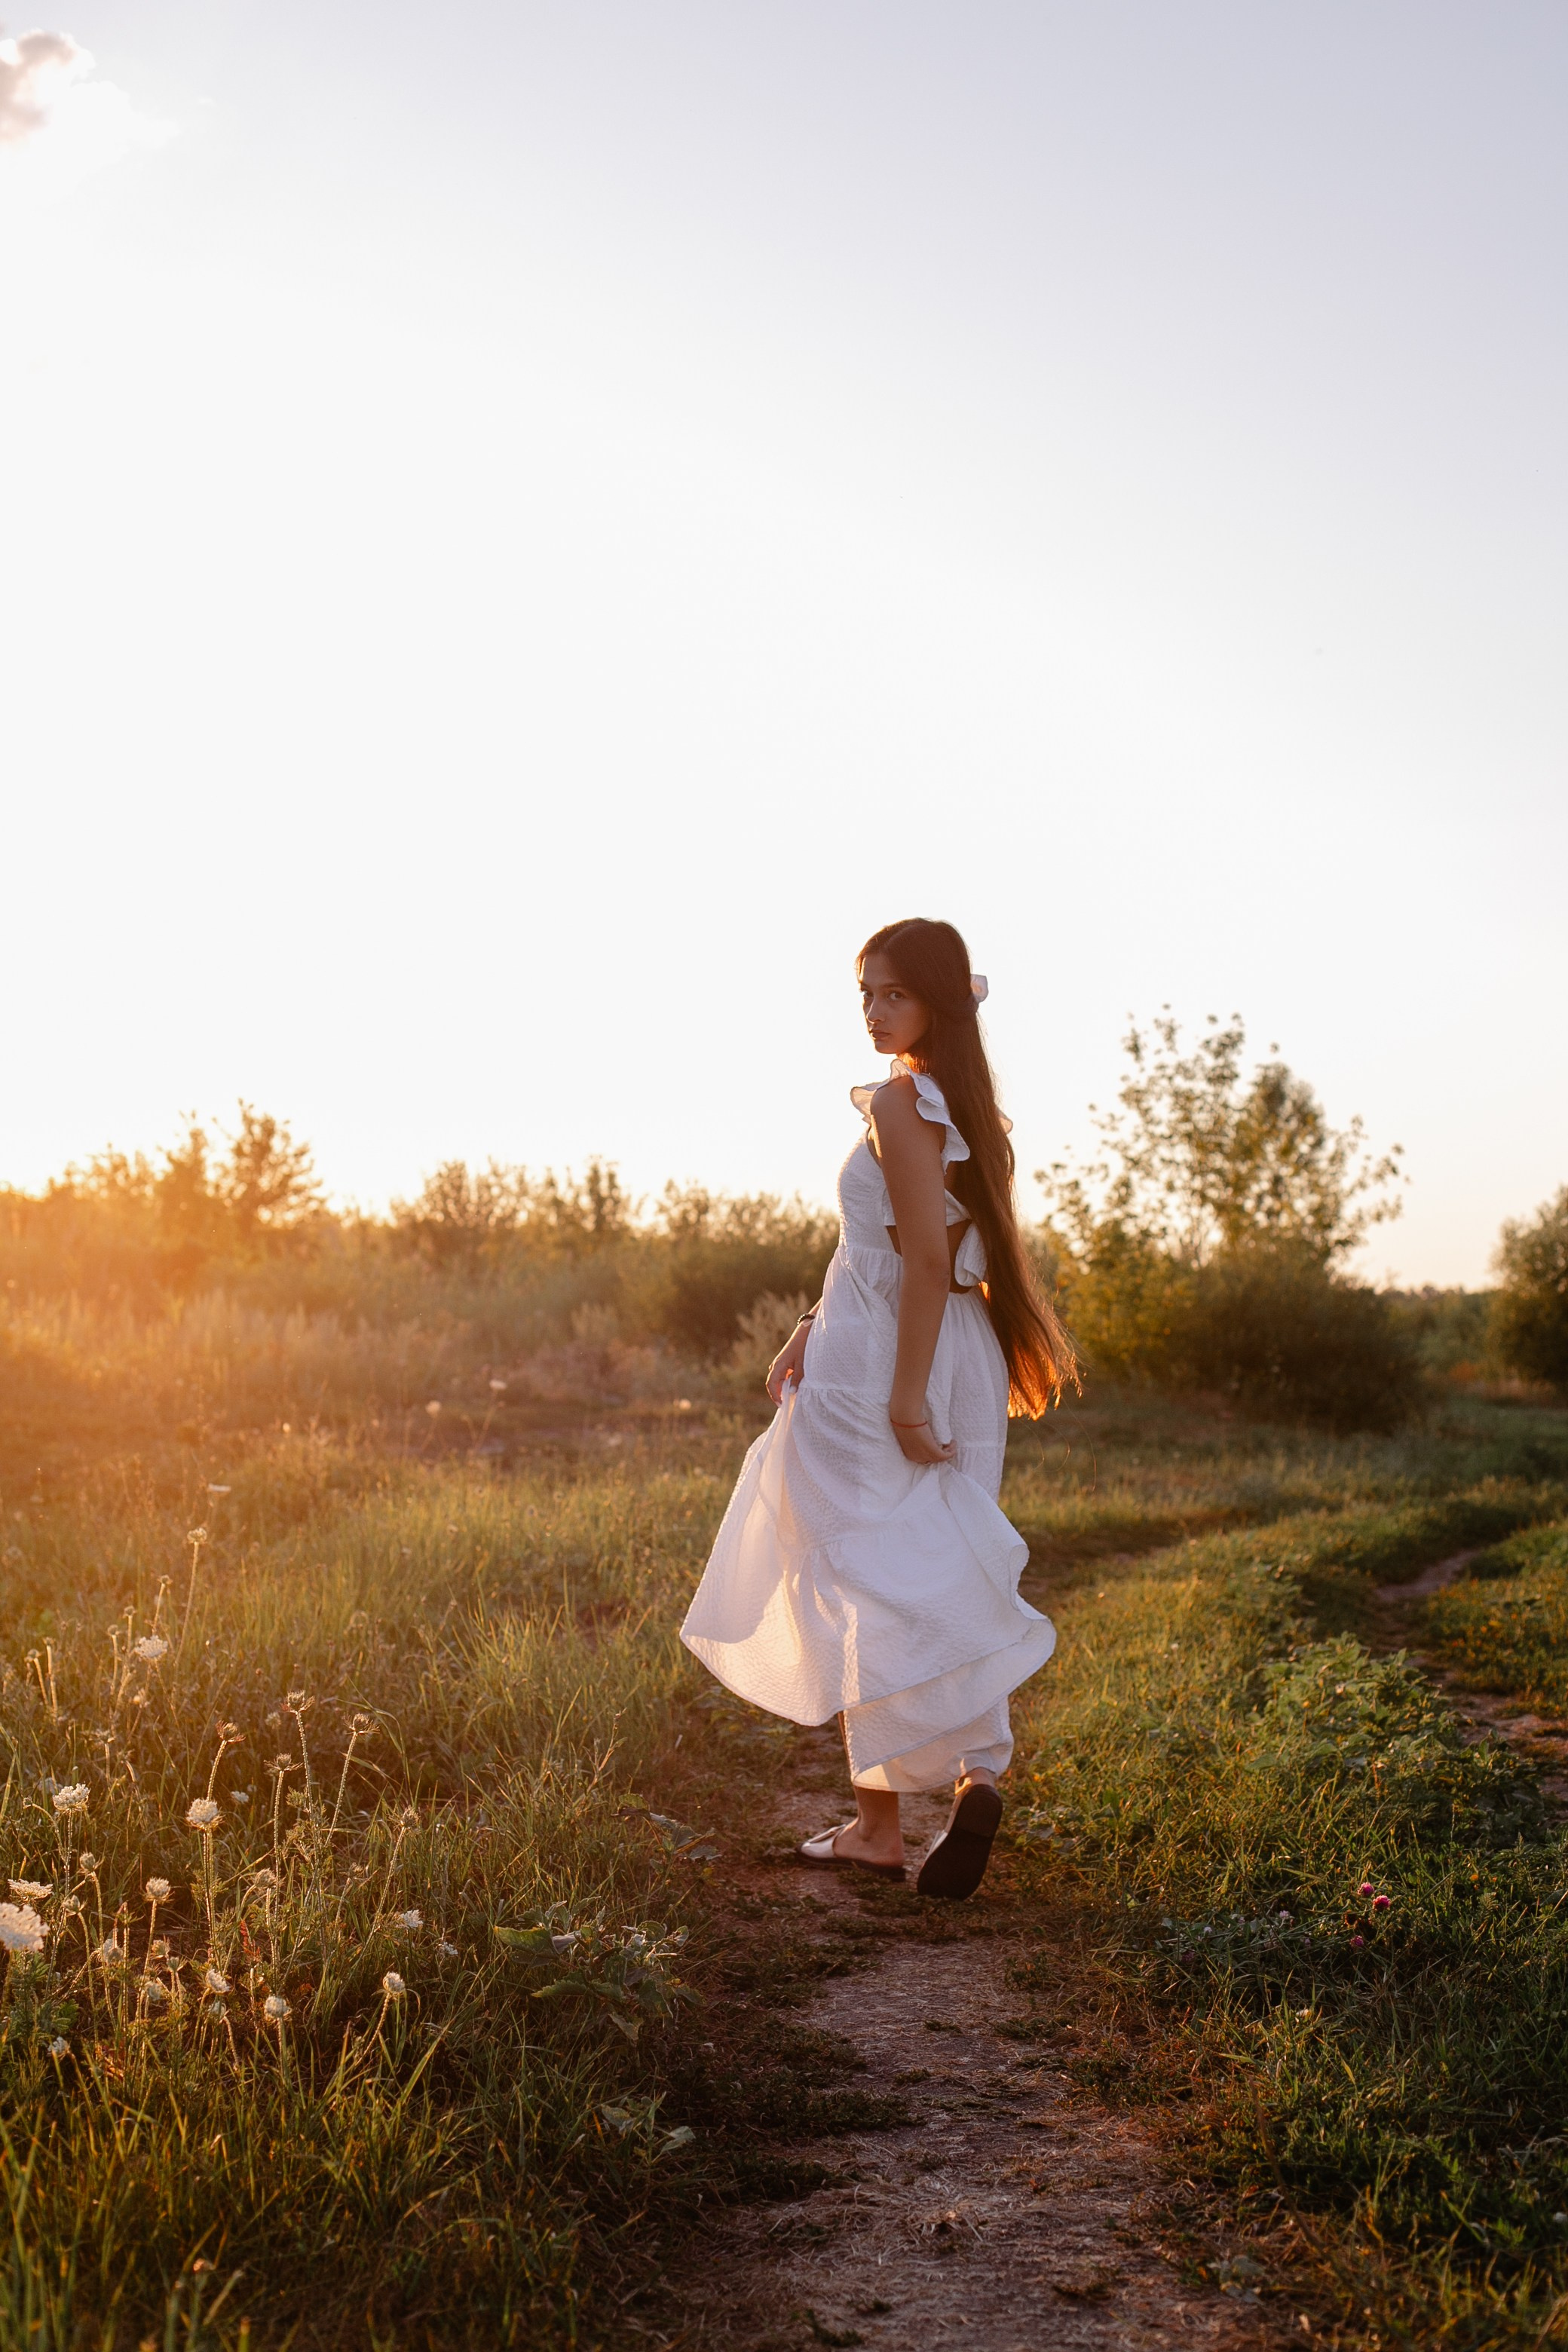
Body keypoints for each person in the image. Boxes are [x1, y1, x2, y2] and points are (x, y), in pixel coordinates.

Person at [681, 917, 1075, 1897]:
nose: (872, 1010)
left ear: (935, 1000)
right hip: (956, 1352)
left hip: (896, 1360)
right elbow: (896, 1249)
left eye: (891, 993)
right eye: (864, 992)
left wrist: (901, 1399)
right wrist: (808, 1323)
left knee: (861, 1575)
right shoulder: (969, 1109)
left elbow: (922, 1262)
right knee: (932, 1559)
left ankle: (877, 1828)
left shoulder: (905, 1105)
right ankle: (978, 1773)